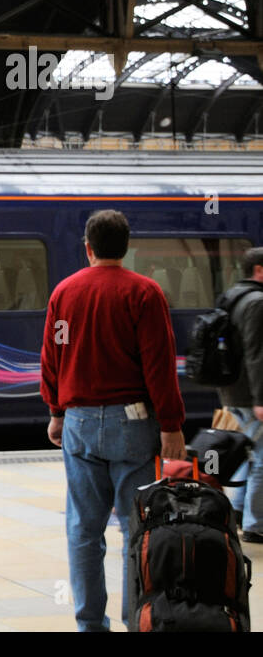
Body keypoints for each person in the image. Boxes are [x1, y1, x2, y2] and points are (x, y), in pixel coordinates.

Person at [41, 209, 186, 632]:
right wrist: (171, 425)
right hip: (133, 424)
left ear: (88, 247)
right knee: (136, 531)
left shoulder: (64, 293)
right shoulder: (145, 293)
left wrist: (55, 412)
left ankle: (89, 624)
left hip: (78, 423)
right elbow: (159, 365)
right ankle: (135, 619)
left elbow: (53, 357)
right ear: (126, 248)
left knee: (84, 530)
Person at [216, 246, 263, 543]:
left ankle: (234, 511)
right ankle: (256, 524)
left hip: (230, 390)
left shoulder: (231, 296)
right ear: (259, 270)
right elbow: (256, 354)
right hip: (251, 395)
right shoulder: (257, 302)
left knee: (247, 454)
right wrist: (260, 399)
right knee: (262, 459)